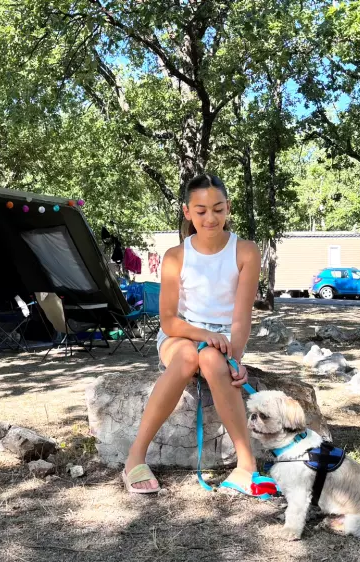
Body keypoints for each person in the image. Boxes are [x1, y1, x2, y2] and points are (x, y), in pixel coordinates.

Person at [122, 173, 265, 496]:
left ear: (228, 208)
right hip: (181, 334)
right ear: (187, 212)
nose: (210, 218)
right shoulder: (176, 256)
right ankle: (135, 458)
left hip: (223, 339)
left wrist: (235, 358)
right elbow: (170, 321)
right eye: (200, 211)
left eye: (218, 209)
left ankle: (246, 464)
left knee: (213, 362)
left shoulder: (246, 251)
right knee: (189, 355)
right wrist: (202, 334)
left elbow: (241, 318)